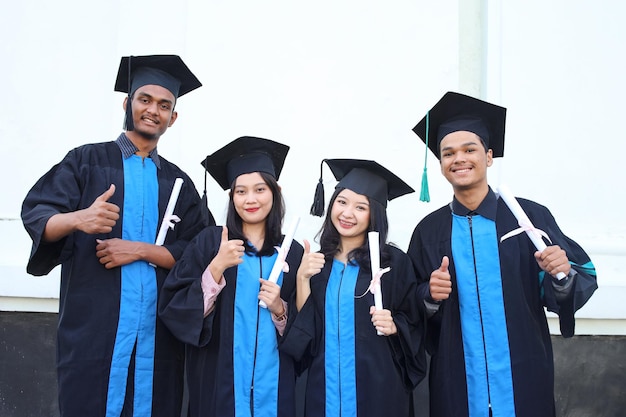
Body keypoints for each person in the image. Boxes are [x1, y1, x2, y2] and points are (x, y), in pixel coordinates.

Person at [21, 55, 212, 417]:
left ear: (173, 118)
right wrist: (80, 218)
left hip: (158, 338)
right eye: (145, 100)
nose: (153, 110)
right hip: (94, 331)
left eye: (164, 105)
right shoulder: (85, 162)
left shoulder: (178, 183)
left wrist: (141, 250)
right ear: (127, 103)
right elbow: (38, 215)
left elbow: (199, 253)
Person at [408, 91, 598, 417]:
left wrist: (561, 275)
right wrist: (428, 295)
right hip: (457, 378)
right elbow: (406, 302)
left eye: (470, 149)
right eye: (448, 153)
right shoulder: (429, 231)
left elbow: (576, 281)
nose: (459, 158)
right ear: (440, 165)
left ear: (489, 156)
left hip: (523, 370)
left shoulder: (529, 218)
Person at [158, 136, 303, 417]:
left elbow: (307, 330)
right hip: (218, 386)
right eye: (241, 191)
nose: (250, 199)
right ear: (231, 196)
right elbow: (176, 311)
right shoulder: (211, 242)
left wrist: (280, 310)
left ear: (275, 191)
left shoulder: (292, 252)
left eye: (260, 189)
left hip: (274, 388)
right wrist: (216, 269)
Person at [280, 159, 426, 417]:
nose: (347, 214)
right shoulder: (318, 264)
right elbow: (305, 336)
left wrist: (395, 326)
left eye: (361, 207)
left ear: (375, 214)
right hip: (324, 392)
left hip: (378, 392)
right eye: (342, 202)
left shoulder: (394, 264)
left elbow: (416, 323)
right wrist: (302, 279)